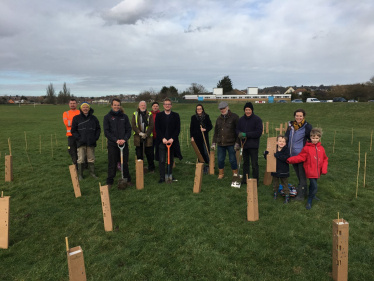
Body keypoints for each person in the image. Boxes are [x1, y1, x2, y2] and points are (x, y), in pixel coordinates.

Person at [287, 128, 328, 210]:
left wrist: (324, 169)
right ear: (310, 137)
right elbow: (301, 157)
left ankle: (313, 195)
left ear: (319, 138)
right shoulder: (307, 148)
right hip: (310, 170)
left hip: (317, 171)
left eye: (317, 138)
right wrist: (290, 159)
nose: (315, 140)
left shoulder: (321, 148)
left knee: (313, 185)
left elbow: (325, 159)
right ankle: (309, 201)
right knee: (315, 186)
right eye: (313, 138)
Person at [103, 98, 132, 189]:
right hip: (113, 144)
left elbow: (128, 130)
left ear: (120, 106)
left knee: (124, 163)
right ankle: (110, 181)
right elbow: (106, 132)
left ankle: (127, 180)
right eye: (115, 105)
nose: (116, 107)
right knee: (112, 163)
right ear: (112, 105)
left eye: (118, 105)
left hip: (123, 144)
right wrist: (116, 140)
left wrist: (125, 139)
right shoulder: (107, 117)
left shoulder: (124, 117)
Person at [285, 108, 312, 200]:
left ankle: (301, 195)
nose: (298, 117)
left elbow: (311, 139)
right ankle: (304, 192)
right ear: (294, 116)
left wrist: (306, 150)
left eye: (300, 116)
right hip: (292, 155)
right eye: (297, 116)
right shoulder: (291, 126)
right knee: (298, 174)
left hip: (301, 155)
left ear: (303, 116)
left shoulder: (307, 127)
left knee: (302, 174)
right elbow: (286, 138)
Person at [155, 98, 183, 183]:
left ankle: (170, 174)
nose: (167, 105)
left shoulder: (176, 115)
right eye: (166, 104)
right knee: (162, 159)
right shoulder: (159, 115)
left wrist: (172, 139)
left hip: (172, 142)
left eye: (169, 104)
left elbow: (177, 129)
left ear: (171, 105)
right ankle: (162, 177)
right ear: (163, 105)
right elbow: (157, 128)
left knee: (170, 159)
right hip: (162, 141)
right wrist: (163, 138)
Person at [71, 102, 101, 181]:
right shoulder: (76, 118)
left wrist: (95, 138)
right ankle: (80, 175)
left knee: (91, 158)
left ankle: (92, 173)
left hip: (91, 142)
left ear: (89, 108)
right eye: (83, 107)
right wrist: (79, 138)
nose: (85, 109)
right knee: (80, 159)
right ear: (81, 108)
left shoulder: (94, 118)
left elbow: (98, 129)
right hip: (81, 142)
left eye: (87, 107)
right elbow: (73, 130)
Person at [235, 102, 263, 183]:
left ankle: (255, 180)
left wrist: (246, 134)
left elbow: (258, 133)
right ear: (244, 110)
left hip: (253, 145)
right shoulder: (241, 119)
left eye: (249, 110)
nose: (247, 111)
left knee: (254, 164)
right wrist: (239, 133)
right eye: (246, 110)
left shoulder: (257, 119)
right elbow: (237, 129)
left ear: (252, 110)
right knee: (245, 163)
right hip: (244, 145)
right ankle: (245, 179)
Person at [211, 101, 239, 179]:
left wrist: (237, 143)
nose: (222, 110)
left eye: (223, 108)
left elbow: (238, 131)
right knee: (220, 159)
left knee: (232, 159)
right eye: (220, 109)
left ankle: (235, 174)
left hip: (231, 143)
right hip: (221, 143)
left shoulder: (235, 117)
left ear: (227, 107)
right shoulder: (219, 119)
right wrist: (214, 142)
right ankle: (221, 174)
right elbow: (216, 132)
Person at [264, 135, 291, 203]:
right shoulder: (273, 149)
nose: (282, 143)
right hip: (275, 169)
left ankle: (287, 196)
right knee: (275, 184)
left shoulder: (286, 150)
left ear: (285, 143)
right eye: (280, 141)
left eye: (284, 141)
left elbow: (285, 158)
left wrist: (277, 155)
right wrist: (266, 154)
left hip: (283, 170)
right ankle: (275, 194)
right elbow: (268, 159)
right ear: (276, 142)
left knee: (284, 184)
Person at [131, 101, 155, 173]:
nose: (143, 106)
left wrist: (146, 134)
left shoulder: (149, 114)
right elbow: (133, 125)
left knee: (149, 154)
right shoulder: (135, 114)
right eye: (141, 105)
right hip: (138, 137)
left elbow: (151, 125)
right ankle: (140, 168)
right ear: (139, 106)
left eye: (144, 105)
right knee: (139, 153)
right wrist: (140, 133)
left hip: (148, 137)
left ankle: (151, 168)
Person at [190, 104, 213, 174]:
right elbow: (191, 128)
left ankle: (209, 164)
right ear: (196, 110)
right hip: (197, 137)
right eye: (197, 109)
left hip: (204, 137)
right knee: (199, 152)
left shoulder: (206, 116)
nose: (199, 110)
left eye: (200, 109)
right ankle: (201, 165)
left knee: (206, 151)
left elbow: (210, 126)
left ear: (202, 109)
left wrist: (205, 129)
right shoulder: (193, 117)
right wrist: (192, 137)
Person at [62, 99, 80, 169]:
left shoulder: (80, 112)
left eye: (74, 103)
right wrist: (77, 122)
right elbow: (67, 123)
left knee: (81, 151)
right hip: (71, 136)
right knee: (72, 151)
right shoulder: (66, 113)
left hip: (79, 135)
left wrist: (72, 121)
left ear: (76, 104)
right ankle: (75, 165)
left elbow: (82, 123)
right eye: (71, 103)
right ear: (69, 104)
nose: (72, 104)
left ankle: (83, 165)